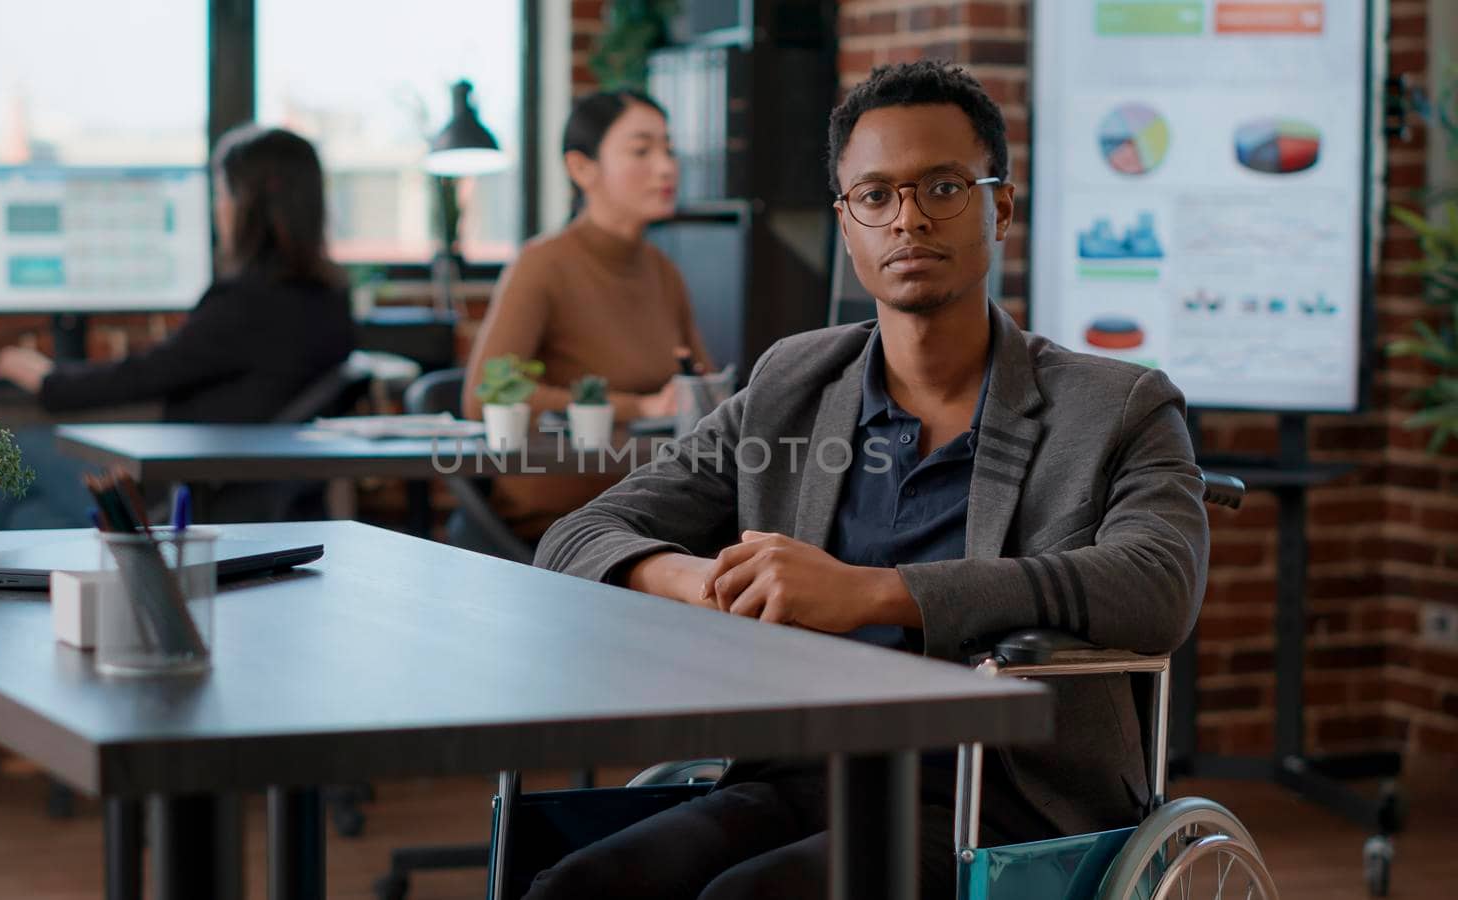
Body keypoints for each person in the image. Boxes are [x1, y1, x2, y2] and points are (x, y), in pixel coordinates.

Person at [526, 60, 1210, 898]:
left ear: (1000, 206)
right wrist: (713, 584)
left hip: (1001, 798)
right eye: (876, 196)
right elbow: (576, 537)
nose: (909, 219)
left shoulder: (1116, 404)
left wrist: (875, 594)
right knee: (580, 883)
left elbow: (1159, 586)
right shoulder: (793, 385)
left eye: (944, 187)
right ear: (847, 224)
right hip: (803, 768)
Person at [0, 125, 355, 528]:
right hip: (232, 494)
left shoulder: (246, 303)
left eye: (221, 196)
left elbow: (147, 374)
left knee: (14, 451)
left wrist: (50, 381)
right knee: (31, 519)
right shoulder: (331, 300)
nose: (218, 211)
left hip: (186, 500)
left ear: (247, 206)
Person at [459, 89, 713, 542]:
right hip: (566, 521)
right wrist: (637, 407)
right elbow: (483, 397)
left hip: (653, 511)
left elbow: (704, 393)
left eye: (669, 149)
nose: (666, 166)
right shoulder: (542, 264)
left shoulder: (663, 272)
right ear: (581, 168)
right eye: (641, 150)